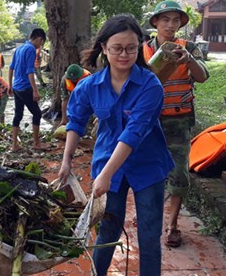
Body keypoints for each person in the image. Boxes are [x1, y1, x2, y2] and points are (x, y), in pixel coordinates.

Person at [58, 14, 174, 275]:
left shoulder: (150, 85)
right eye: (117, 48)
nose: (124, 54)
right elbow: (76, 121)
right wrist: (66, 161)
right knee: (107, 229)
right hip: (107, 160)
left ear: (139, 47)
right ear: (104, 48)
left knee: (148, 235)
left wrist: (106, 176)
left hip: (148, 166)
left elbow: (134, 133)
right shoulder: (89, 86)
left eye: (131, 48)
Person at [144, 0, 210, 248]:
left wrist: (188, 60)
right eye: (165, 20)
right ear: (156, 23)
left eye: (175, 20)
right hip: (151, 120)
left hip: (180, 121)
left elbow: (203, 77)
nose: (170, 25)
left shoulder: (190, 47)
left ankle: (172, 225)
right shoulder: (143, 49)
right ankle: (150, 217)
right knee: (151, 171)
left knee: (179, 173)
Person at [9, 28, 50, 151]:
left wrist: (10, 85)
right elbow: (30, 72)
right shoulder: (31, 49)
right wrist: (35, 91)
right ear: (39, 38)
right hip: (25, 87)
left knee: (18, 114)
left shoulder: (19, 48)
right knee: (37, 113)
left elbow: (11, 68)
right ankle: (36, 143)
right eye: (41, 43)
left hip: (16, 87)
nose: (40, 46)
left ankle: (14, 144)